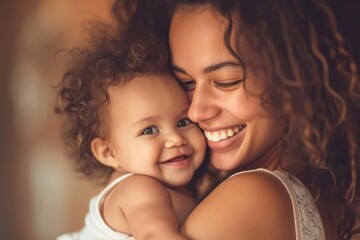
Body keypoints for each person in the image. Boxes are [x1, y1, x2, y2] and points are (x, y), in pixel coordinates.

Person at [107, 0, 360, 239]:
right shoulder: (323, 197)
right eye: (186, 83)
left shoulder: (253, 196)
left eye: (226, 81)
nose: (195, 111)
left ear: (295, 78)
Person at [55, 18, 206, 240]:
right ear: (109, 152)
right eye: (149, 130)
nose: (175, 139)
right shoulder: (139, 189)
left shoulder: (179, 186)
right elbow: (155, 235)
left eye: (183, 122)